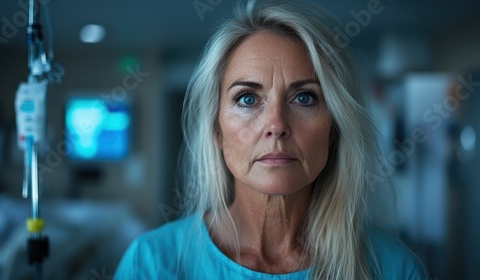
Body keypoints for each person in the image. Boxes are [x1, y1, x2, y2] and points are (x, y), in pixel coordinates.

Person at [115, 0, 429, 279]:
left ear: (334, 128)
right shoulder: (151, 264)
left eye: (304, 98)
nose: (276, 125)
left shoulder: (394, 269)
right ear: (216, 129)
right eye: (248, 99)